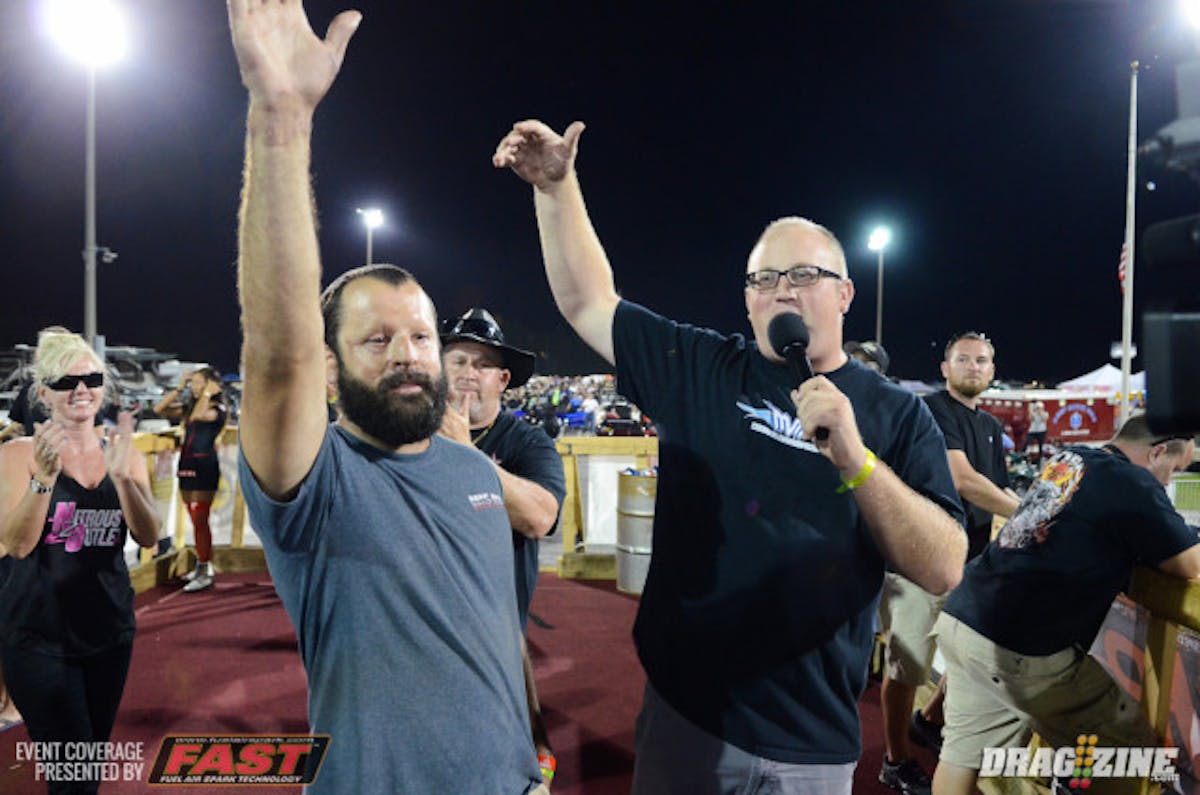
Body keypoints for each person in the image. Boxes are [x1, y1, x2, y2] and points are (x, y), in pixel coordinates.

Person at [495, 120, 967, 794]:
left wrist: (857, 461)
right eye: (763, 278)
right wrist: (555, 188)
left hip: (813, 738)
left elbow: (943, 564)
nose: (782, 290)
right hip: (689, 717)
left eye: (803, 274)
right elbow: (588, 301)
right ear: (747, 300)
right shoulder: (703, 366)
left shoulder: (898, 414)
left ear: (845, 294)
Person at [226, 4, 545, 793]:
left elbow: (496, 639)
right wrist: (281, 122)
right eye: (376, 339)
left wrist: (533, 765)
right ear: (330, 370)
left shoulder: (471, 469)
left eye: (422, 335)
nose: (407, 352)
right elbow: (278, 355)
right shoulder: (318, 481)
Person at [930, 414, 1200, 795]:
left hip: (966, 618)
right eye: (1174, 469)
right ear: (1157, 453)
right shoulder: (1133, 482)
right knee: (1130, 752)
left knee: (962, 755)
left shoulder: (1071, 457)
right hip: (1019, 647)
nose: (1169, 481)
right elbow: (1190, 565)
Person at [0, 329, 159, 794]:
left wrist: (124, 480)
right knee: (75, 779)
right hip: (40, 640)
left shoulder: (124, 455)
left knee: (87, 768)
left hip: (109, 633)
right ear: (43, 392)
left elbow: (148, 535)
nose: (81, 390)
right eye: (66, 382)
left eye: (91, 379)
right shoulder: (16, 456)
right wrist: (44, 481)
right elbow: (16, 545)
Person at [876, 331, 1020, 793]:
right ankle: (895, 760)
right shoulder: (933, 410)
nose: (973, 367)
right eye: (964, 359)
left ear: (992, 371)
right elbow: (963, 480)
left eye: (982, 360)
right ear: (945, 368)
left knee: (968, 657)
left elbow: (995, 487)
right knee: (908, 665)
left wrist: (1031, 507)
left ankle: (929, 719)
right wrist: (1025, 511)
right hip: (919, 558)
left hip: (968, 561)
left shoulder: (990, 426)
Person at [440, 307, 567, 786]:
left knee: (508, 759)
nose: (468, 373)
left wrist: (465, 454)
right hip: (418, 627)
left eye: (482, 364)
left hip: (495, 636)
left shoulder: (527, 443)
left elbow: (540, 517)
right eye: (458, 361)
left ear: (503, 379)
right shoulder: (407, 438)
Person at [154, 367, 228, 592]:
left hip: (205, 466)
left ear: (210, 384)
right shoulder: (191, 407)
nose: (194, 387)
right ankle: (201, 565)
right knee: (193, 517)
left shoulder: (218, 409)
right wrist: (179, 388)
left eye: (198, 382)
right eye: (192, 383)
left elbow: (198, 416)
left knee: (200, 518)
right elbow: (159, 409)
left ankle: (205, 569)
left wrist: (207, 394)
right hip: (186, 464)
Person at [1026, 400, 1048, 464]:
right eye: (1037, 408)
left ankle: (1040, 458)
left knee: (1040, 445)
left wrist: (1040, 413)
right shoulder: (1033, 414)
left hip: (1041, 431)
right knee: (1028, 441)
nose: (1038, 409)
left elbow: (1044, 419)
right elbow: (1031, 419)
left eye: (1039, 408)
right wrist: (1032, 412)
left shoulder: (1045, 413)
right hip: (1033, 431)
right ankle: (1027, 455)